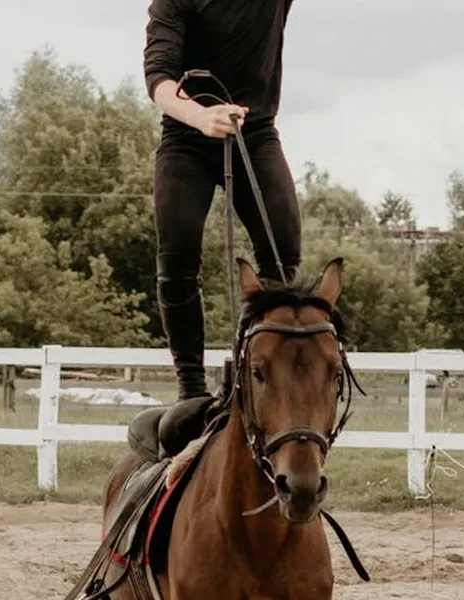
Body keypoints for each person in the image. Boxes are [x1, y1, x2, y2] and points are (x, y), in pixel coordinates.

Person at [142, 0, 302, 457]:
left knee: (283, 254)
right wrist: (199, 115)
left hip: (256, 132)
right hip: (185, 139)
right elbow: (159, 79)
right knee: (176, 256)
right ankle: (190, 387)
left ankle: (260, 375)